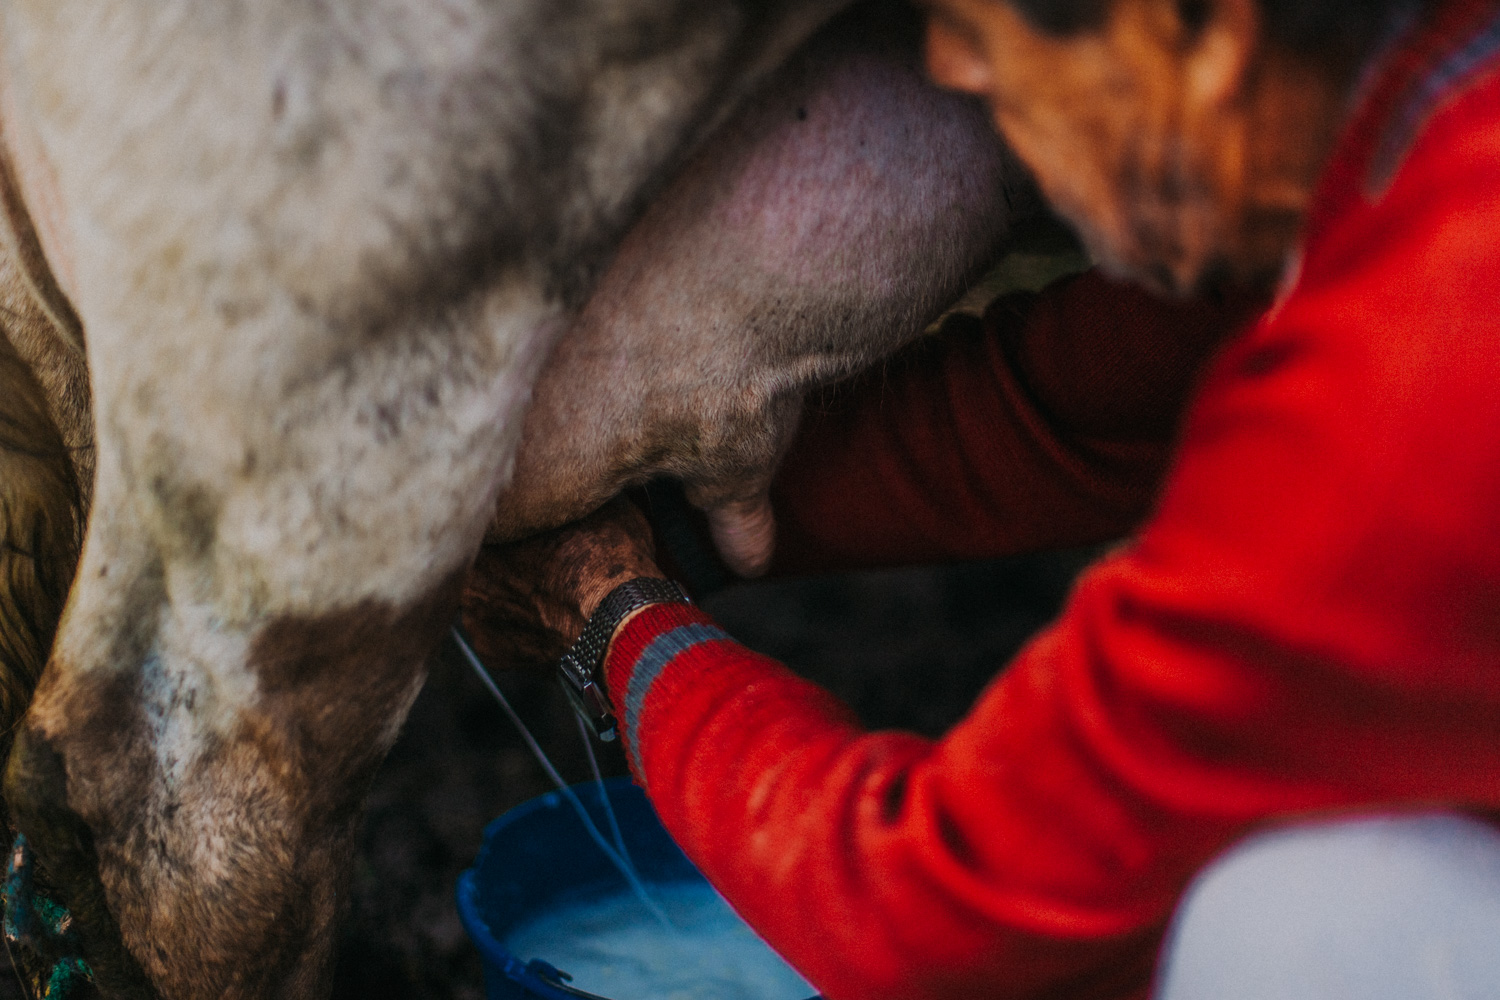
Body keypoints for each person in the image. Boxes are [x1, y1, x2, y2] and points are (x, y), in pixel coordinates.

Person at [461, 0, 1500, 996]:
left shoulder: (1415, 378)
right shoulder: (1411, 119)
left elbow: (934, 915)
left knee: (1296, 927)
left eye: (982, 28)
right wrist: (680, 533)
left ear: (1210, 33)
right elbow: (1078, 406)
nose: (953, 69)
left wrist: (614, 622)